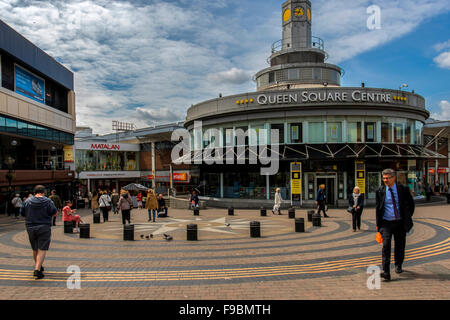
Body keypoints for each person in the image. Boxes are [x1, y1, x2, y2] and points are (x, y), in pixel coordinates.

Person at [376, 168, 415, 281]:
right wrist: (378, 225)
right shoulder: (380, 190)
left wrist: (407, 217)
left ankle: (398, 265)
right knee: (386, 246)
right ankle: (386, 272)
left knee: (400, 245)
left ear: (394, 178)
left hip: (399, 222)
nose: (385, 180)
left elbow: (411, 204)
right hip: (386, 223)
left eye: (388, 178)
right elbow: (378, 208)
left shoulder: (402, 189)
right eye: (384, 178)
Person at [20, 185, 57, 280]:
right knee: (42, 248)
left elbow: (22, 213)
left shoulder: (27, 201)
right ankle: (37, 270)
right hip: (44, 226)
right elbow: (54, 212)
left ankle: (38, 265)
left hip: (30, 227)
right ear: (43, 192)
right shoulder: (48, 201)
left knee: (35, 248)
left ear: (34, 192)